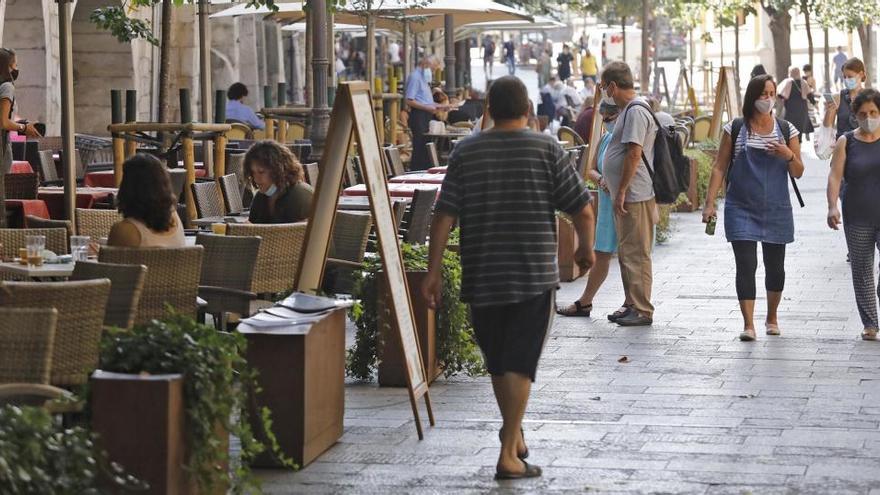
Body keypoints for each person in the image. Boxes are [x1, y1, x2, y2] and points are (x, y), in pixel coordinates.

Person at [422, 76, 595, 481]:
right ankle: (507, 452)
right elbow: (582, 208)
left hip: (482, 271)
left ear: (488, 112)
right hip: (532, 274)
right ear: (529, 111)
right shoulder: (546, 148)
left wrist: (432, 272)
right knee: (519, 362)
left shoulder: (466, 151)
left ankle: (513, 434)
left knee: (499, 361)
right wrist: (585, 249)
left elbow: (443, 215)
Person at [702, 74, 805, 341]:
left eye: (771, 93)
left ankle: (772, 316)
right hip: (740, 207)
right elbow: (719, 167)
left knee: (776, 266)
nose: (767, 98)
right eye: (762, 94)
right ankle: (748, 324)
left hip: (776, 208)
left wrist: (788, 154)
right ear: (752, 96)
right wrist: (709, 203)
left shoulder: (786, 129)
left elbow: (798, 172)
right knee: (746, 264)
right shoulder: (734, 128)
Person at [558, 102, 634, 319]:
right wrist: (601, 179)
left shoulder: (630, 139)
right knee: (601, 251)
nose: (607, 122)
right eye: (604, 118)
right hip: (607, 201)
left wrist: (619, 185)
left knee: (628, 256)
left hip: (626, 203)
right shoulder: (605, 139)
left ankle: (631, 302)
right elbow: (590, 169)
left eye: (609, 118)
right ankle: (586, 301)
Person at [598, 61, 658, 327]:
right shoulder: (627, 110)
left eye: (603, 87)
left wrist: (621, 189)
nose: (603, 93)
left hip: (635, 193)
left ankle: (643, 309)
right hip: (626, 193)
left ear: (612, 86)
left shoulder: (634, 111)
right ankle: (631, 303)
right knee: (627, 251)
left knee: (636, 252)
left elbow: (634, 153)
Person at [827, 89, 880, 340]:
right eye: (863, 114)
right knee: (861, 269)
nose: (868, 117)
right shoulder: (846, 141)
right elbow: (835, 176)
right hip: (857, 213)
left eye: (873, 113)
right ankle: (870, 324)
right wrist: (832, 206)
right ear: (855, 116)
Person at [108, 154, 186, 248]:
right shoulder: (174, 218)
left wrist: (99, 252)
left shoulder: (125, 231)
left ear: (127, 186)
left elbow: (109, 261)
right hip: (175, 262)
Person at [0, 48, 40, 228]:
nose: (17, 68)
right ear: (7, 66)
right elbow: (3, 122)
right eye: (15, 64)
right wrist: (24, 127)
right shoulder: (6, 86)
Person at [244, 140, 313, 224]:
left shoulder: (300, 196)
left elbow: (297, 233)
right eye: (253, 172)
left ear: (279, 170)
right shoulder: (260, 197)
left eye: (261, 172)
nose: (256, 179)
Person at [406, 55, 449, 171]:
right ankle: (417, 170)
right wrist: (426, 108)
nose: (433, 72)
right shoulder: (415, 77)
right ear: (426, 65)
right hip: (419, 115)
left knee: (426, 146)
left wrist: (443, 106)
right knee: (420, 146)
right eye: (433, 69)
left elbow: (426, 101)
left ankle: (424, 168)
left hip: (425, 114)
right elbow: (409, 100)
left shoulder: (424, 79)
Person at [824, 57, 867, 138]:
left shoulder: (869, 97)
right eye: (844, 77)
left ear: (861, 74)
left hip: (864, 145)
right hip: (842, 147)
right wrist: (828, 111)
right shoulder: (838, 96)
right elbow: (827, 126)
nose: (846, 80)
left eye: (850, 77)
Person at [777, 66, 814, 141]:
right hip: (802, 109)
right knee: (799, 126)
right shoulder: (803, 82)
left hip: (790, 109)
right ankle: (798, 142)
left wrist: (783, 99)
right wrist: (814, 103)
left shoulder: (788, 82)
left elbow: (779, 94)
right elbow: (809, 95)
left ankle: (791, 142)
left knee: (790, 127)